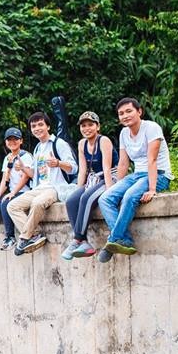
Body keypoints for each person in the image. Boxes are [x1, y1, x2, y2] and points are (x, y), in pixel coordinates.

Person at [96, 97, 173, 262]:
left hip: (159, 175)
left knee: (130, 196)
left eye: (129, 111)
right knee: (105, 198)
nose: (125, 116)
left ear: (139, 112)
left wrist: (152, 189)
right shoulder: (124, 133)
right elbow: (123, 163)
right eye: (121, 113)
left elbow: (151, 160)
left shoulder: (151, 128)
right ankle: (124, 239)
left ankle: (112, 240)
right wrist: (117, 187)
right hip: (137, 175)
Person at [8, 112, 77, 255]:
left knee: (38, 203)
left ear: (48, 126)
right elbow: (36, 175)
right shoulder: (38, 148)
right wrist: (24, 169)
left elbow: (73, 168)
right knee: (12, 206)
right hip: (39, 188)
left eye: (40, 124)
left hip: (56, 188)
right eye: (33, 126)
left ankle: (25, 237)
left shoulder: (59, 144)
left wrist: (58, 163)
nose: (37, 128)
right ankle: (35, 234)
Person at [61, 111, 118, 260]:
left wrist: (111, 190)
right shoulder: (82, 144)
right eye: (83, 126)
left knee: (86, 198)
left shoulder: (104, 140)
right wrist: (78, 188)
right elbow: (83, 170)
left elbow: (106, 167)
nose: (87, 128)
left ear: (98, 126)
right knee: (72, 200)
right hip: (94, 179)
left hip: (109, 177)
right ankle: (84, 242)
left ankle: (77, 239)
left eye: (90, 125)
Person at [0, 127, 33, 252]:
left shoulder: (26, 156)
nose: (12, 142)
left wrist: (13, 193)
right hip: (12, 191)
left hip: (24, 191)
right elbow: (6, 179)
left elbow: (26, 177)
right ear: (6, 142)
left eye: (15, 139)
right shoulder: (7, 158)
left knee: (6, 202)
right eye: (9, 140)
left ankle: (10, 237)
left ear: (21, 141)